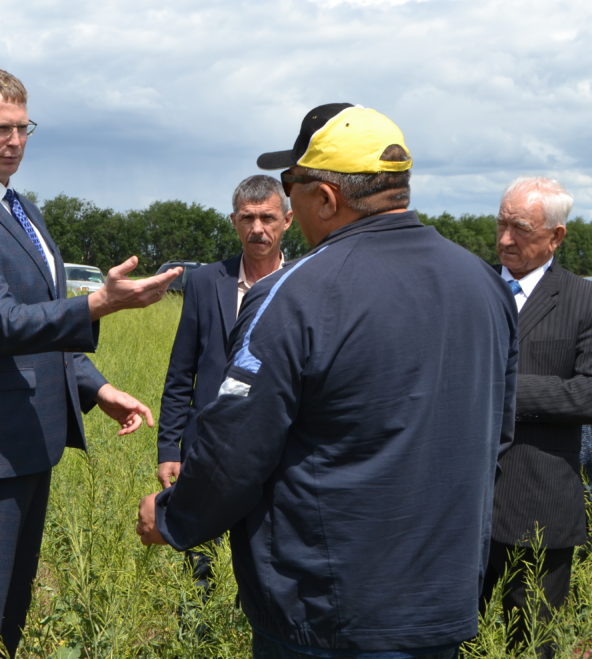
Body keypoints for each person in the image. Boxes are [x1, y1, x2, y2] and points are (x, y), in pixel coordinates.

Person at [136, 103, 518, 657]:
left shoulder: (293, 294)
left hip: (325, 613)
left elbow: (235, 451)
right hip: (441, 605)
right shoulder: (484, 286)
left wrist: (171, 517)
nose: (287, 201)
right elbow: (495, 437)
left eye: (292, 186)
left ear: (324, 198)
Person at [0, 68, 181, 659]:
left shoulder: (19, 206)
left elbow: (37, 319)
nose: (14, 141)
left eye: (23, 128)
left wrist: (95, 387)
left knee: (9, 608)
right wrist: (98, 303)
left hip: (29, 438)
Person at [156, 174, 291, 607]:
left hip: (276, 452)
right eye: (248, 218)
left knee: (265, 562)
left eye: (268, 218)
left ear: (287, 221)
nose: (258, 229)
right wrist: (169, 450)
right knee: (200, 566)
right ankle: (196, 638)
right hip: (206, 450)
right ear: (233, 221)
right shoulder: (204, 283)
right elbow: (182, 373)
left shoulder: (303, 284)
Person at [482, 176, 592, 656]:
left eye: (520, 228)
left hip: (538, 508)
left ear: (556, 236)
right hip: (462, 509)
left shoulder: (583, 301)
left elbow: (587, 395)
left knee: (533, 645)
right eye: (502, 224)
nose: (505, 239)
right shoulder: (471, 290)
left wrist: (498, 389)